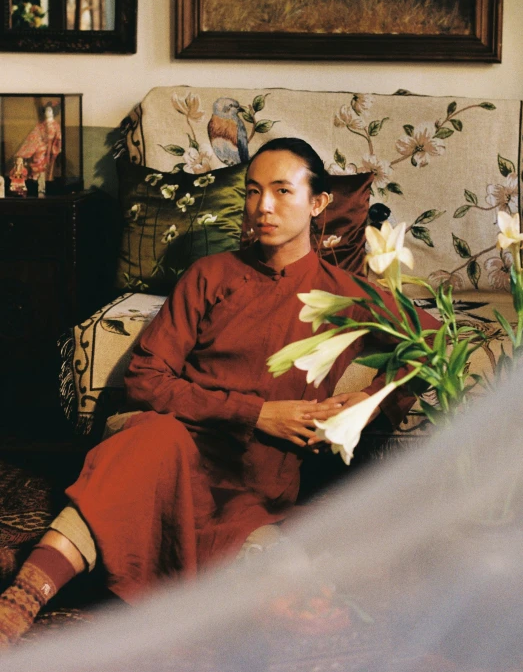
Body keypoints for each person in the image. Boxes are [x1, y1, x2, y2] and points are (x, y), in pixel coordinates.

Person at [0, 138, 438, 645]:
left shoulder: (345, 293)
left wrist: (365, 405)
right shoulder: (210, 275)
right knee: (150, 446)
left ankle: (56, 551)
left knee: (291, 601)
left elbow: (432, 340)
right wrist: (258, 413)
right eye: (253, 192)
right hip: (173, 447)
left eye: (281, 191)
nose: (263, 207)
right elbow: (146, 378)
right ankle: (21, 598)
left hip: (255, 483)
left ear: (317, 203)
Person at [15, 102, 62, 183]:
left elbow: (59, 137)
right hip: (41, 144)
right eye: (46, 110)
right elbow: (35, 134)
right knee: (39, 153)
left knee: (43, 153)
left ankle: (46, 179)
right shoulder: (41, 125)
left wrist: (57, 147)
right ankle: (36, 175)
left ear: (54, 112)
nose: (48, 112)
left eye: (50, 111)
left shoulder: (56, 125)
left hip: (52, 147)